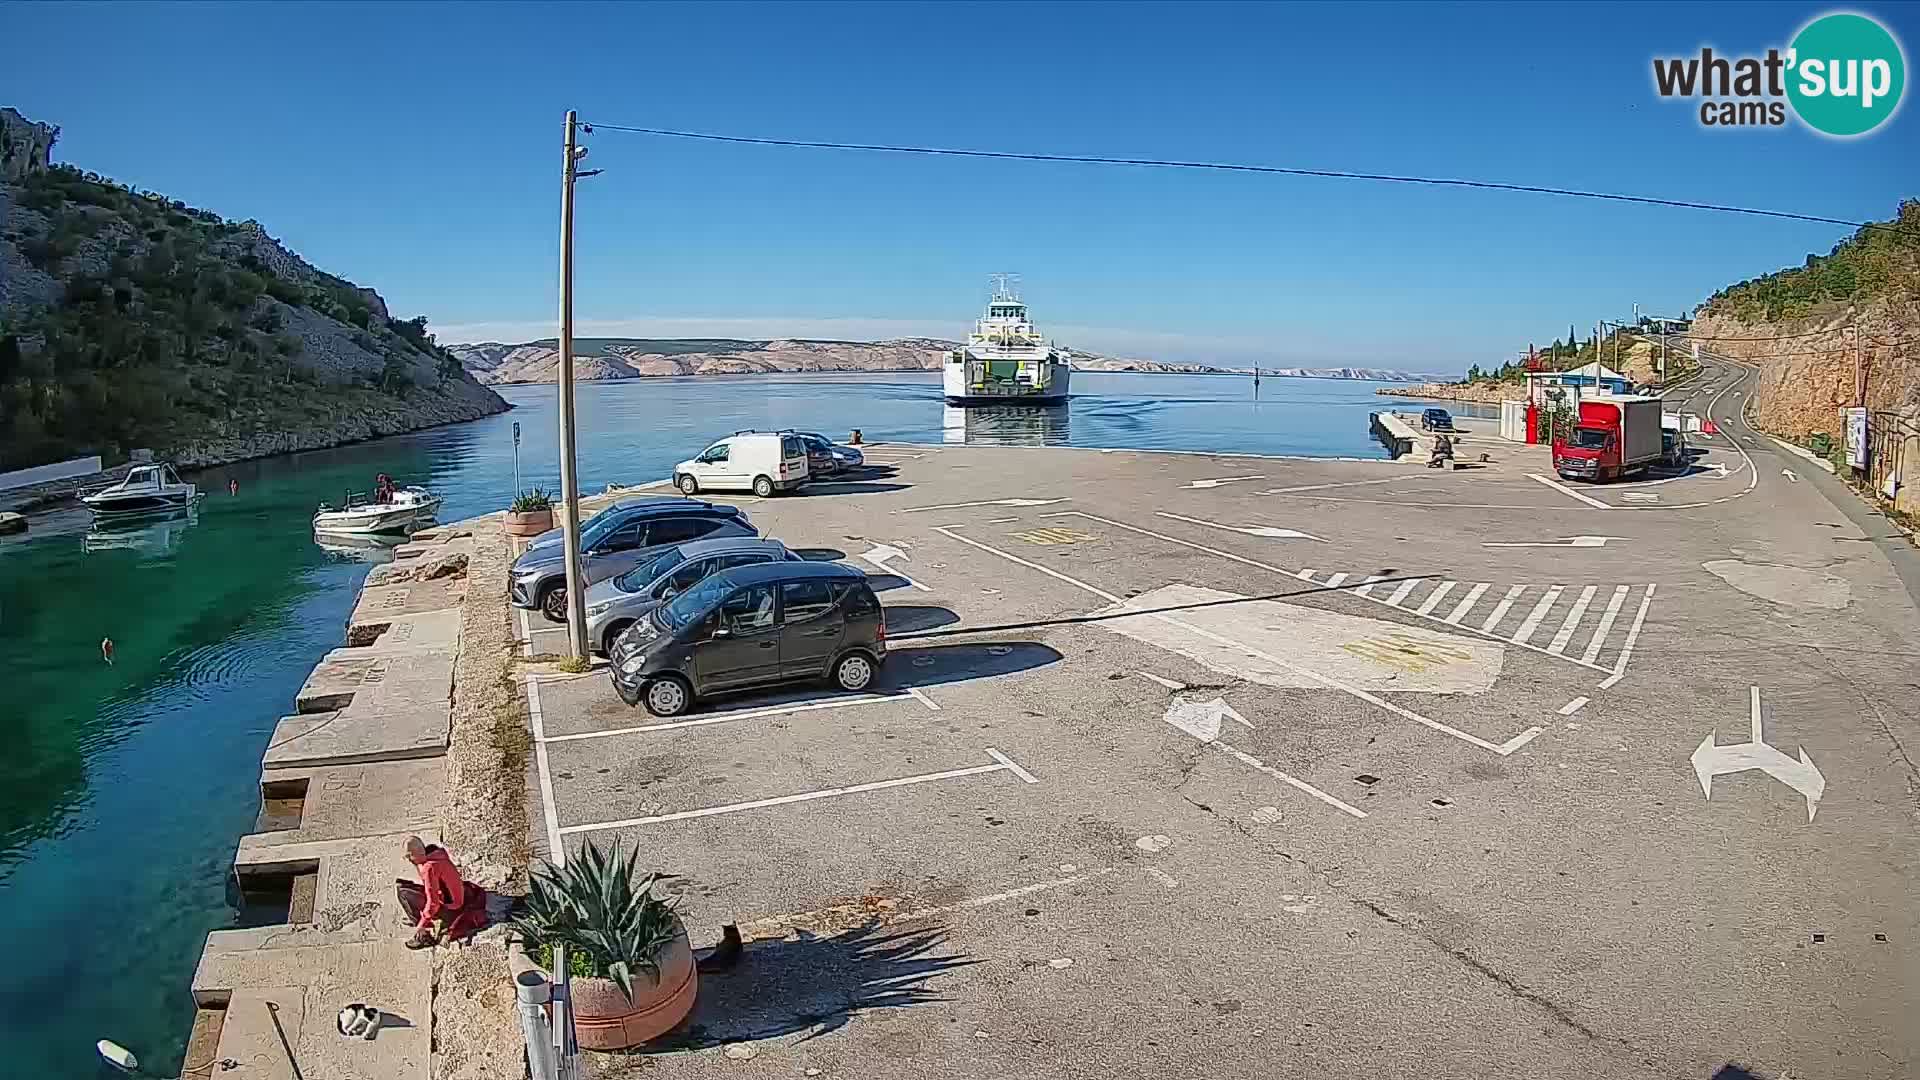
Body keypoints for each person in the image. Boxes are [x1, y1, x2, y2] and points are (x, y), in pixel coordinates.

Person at [397, 836, 488, 949]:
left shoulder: (429, 867)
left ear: (416, 854)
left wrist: (422, 924)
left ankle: (422, 932)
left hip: (452, 908)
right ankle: (420, 921)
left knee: (403, 892)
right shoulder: (435, 854)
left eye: (409, 856)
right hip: (458, 898)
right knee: (404, 886)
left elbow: (433, 903)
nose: (409, 860)